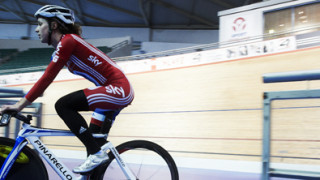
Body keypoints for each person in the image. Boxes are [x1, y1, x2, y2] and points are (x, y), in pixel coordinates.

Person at [0, 5, 134, 173]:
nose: (36, 29)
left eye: (40, 24)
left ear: (53, 25)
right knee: (92, 144)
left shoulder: (68, 40)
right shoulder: (63, 47)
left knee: (63, 105)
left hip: (118, 89)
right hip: (113, 90)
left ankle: (96, 154)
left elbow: (47, 77)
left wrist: (19, 105)